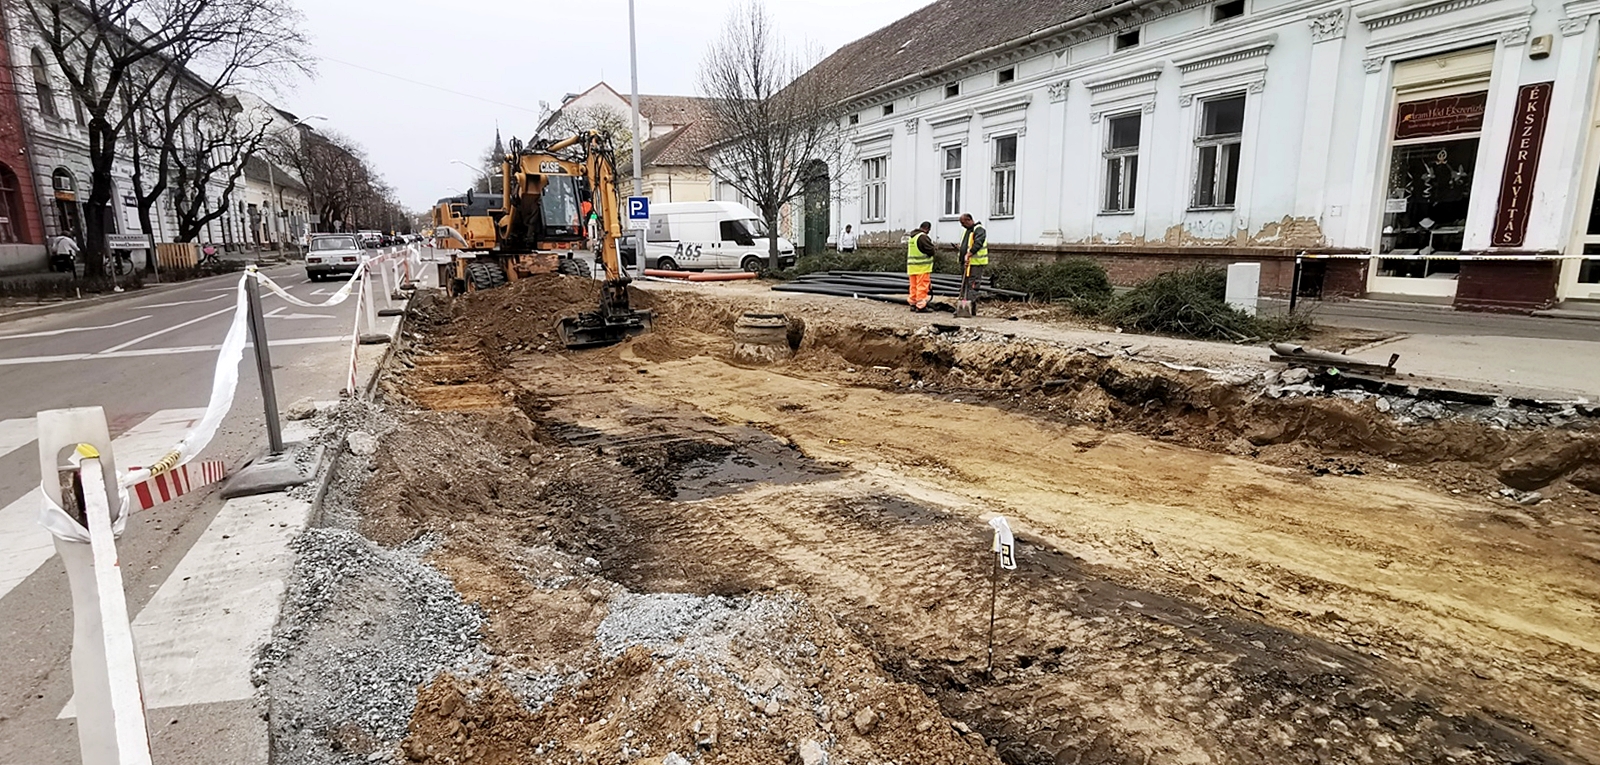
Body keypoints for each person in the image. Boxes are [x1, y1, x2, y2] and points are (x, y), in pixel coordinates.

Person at [958, 213, 989, 315]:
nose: (962, 225)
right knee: (966, 285)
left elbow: (978, 243)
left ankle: (969, 309)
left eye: (963, 223)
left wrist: (969, 253)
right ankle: (965, 308)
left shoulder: (979, 230)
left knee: (973, 285)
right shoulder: (967, 231)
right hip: (967, 263)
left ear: (968, 220)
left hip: (975, 264)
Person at [906, 221, 936, 312]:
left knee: (913, 286)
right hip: (922, 267)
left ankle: (913, 303)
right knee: (922, 286)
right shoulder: (922, 237)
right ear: (927, 228)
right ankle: (921, 306)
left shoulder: (912, 237)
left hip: (912, 267)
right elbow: (930, 250)